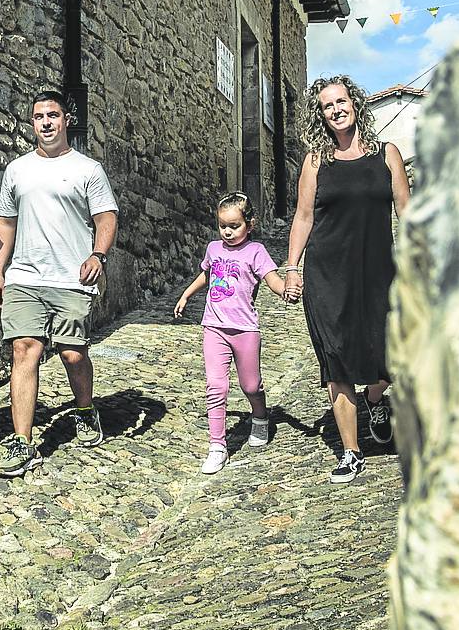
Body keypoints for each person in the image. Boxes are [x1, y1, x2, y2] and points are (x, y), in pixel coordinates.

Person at [285, 75, 410, 484]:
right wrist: (291, 267)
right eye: (327, 105)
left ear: (355, 104)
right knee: (336, 359)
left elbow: (407, 214)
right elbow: (303, 217)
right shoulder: (316, 161)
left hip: (380, 273)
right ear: (320, 115)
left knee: (387, 354)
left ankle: (375, 398)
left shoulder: (387, 155)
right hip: (328, 274)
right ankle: (351, 452)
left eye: (341, 101)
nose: (336, 109)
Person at [0, 90, 118, 477]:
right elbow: (6, 224)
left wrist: (97, 255)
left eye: (53, 115)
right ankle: (22, 442)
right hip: (25, 277)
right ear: (32, 123)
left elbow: (106, 218)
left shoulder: (87, 169)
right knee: (24, 349)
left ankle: (83, 409)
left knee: (71, 353)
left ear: (66, 120)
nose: (45, 122)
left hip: (71, 277)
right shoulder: (17, 170)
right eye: (38, 117)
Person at [174, 191, 300, 474]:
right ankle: (217, 446)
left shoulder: (256, 252)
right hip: (214, 327)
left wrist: (285, 292)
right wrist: (186, 295)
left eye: (234, 226)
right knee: (216, 386)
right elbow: (207, 274)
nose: (228, 232)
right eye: (223, 226)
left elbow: (272, 280)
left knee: (251, 386)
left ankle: (260, 417)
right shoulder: (213, 249)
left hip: (245, 329)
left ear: (249, 224)